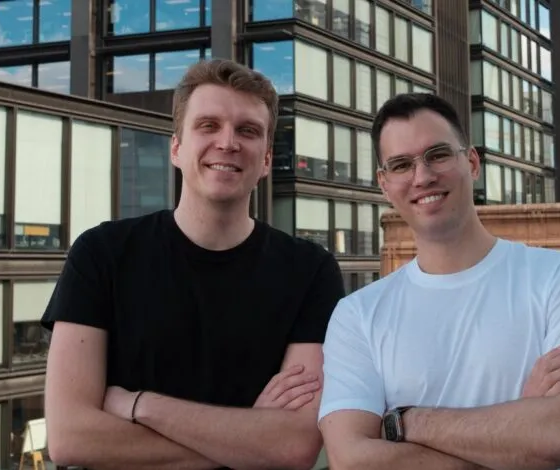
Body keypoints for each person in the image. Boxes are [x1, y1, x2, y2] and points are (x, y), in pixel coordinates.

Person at [41, 59, 345, 470]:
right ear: (176, 149)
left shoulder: (310, 270)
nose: (228, 142)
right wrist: (249, 437)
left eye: (248, 131)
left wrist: (139, 405)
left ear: (267, 159)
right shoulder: (102, 254)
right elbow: (70, 438)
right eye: (208, 126)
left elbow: (293, 447)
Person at [317, 93, 560, 470]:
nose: (423, 176)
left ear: (472, 162)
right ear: (384, 183)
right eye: (401, 164)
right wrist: (522, 428)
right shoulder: (357, 315)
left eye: (438, 155)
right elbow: (353, 460)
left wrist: (404, 422)